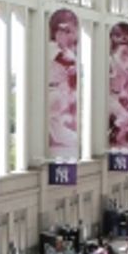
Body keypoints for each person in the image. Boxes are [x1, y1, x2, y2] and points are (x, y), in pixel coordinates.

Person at [46, 9, 80, 157]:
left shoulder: (68, 51)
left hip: (59, 92)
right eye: (61, 30)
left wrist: (75, 70)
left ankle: (76, 142)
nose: (64, 34)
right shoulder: (52, 47)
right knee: (54, 128)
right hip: (53, 91)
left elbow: (73, 80)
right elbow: (63, 61)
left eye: (67, 31)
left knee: (57, 129)